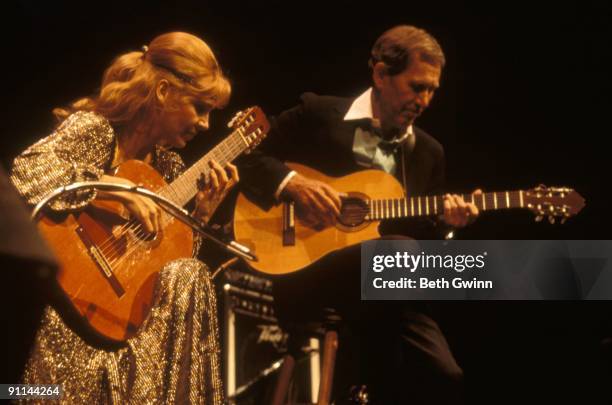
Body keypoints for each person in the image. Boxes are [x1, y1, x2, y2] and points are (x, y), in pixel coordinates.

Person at [238, 25, 480, 403]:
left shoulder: (429, 153)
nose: (426, 100)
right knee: (397, 253)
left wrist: (447, 226)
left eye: (433, 89)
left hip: (386, 293)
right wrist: (293, 185)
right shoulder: (319, 114)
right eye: (418, 86)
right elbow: (245, 155)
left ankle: (363, 383)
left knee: (446, 375)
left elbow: (423, 253)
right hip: (304, 271)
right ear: (381, 75)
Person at [10, 32, 238, 404]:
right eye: (200, 107)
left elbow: (160, 268)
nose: (206, 124)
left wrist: (200, 214)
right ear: (163, 91)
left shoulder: (169, 167)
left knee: (190, 275)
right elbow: (27, 172)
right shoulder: (97, 130)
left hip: (125, 333)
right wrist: (112, 186)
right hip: (64, 317)